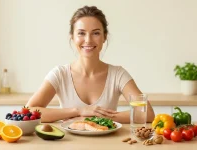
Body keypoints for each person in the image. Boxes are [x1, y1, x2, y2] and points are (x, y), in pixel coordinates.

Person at [26, 6, 155, 123]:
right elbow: (29, 110)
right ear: (72, 37)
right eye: (81, 33)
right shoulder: (60, 74)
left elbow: (147, 113)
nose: (88, 40)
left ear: (104, 37)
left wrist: (100, 115)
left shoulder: (118, 74)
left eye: (96, 33)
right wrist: (78, 111)